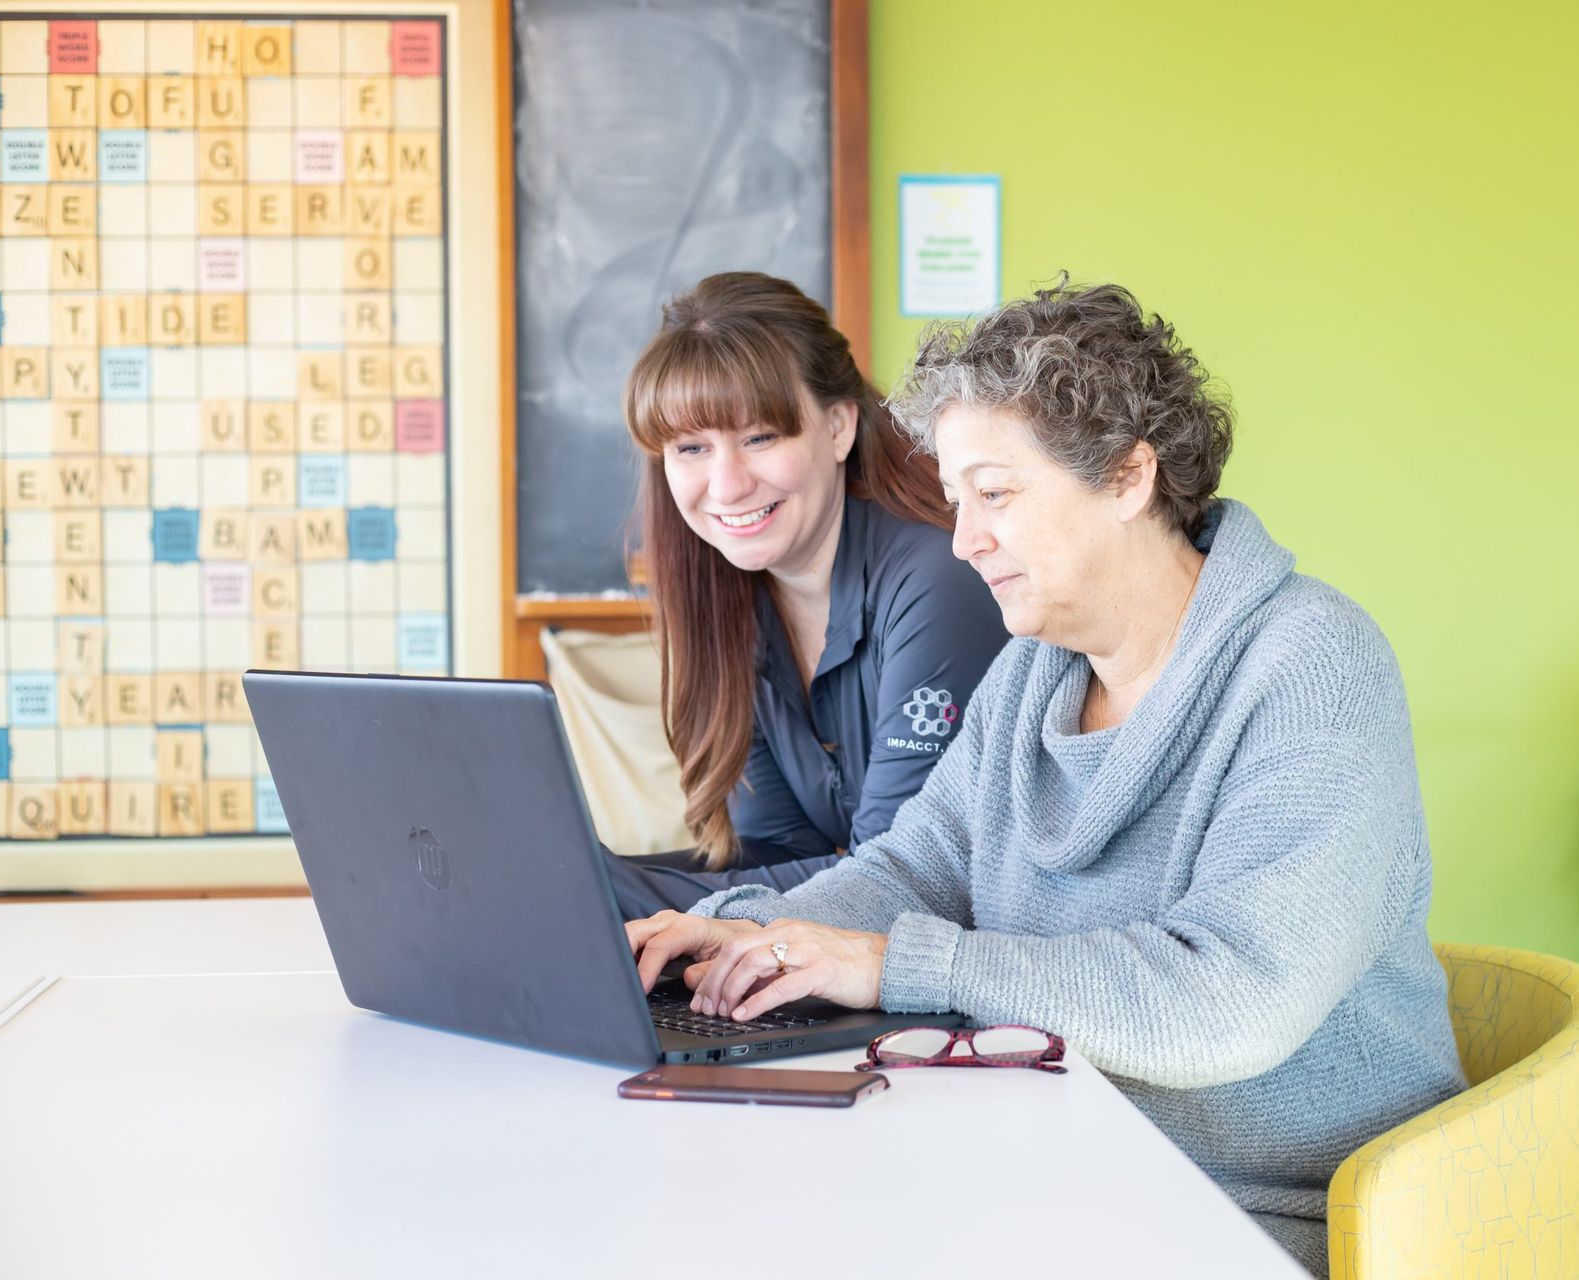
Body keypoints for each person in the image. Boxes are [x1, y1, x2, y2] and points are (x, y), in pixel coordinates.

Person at [623, 280, 1468, 1277]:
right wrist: (757, 930)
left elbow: (1230, 999)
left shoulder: (1311, 666)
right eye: (956, 499)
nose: (964, 538)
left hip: (1265, 1214)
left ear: (1126, 475)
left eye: (997, 494)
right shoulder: (1038, 670)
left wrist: (898, 964)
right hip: (1052, 1168)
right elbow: (920, 863)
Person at [606, 272, 1009, 918]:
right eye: (691, 448)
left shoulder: (938, 578)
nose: (727, 484)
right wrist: (596, 880)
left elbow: (893, 884)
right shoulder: (732, 600)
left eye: (760, 437)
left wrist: (610, 895)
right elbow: (778, 854)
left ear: (838, 428)